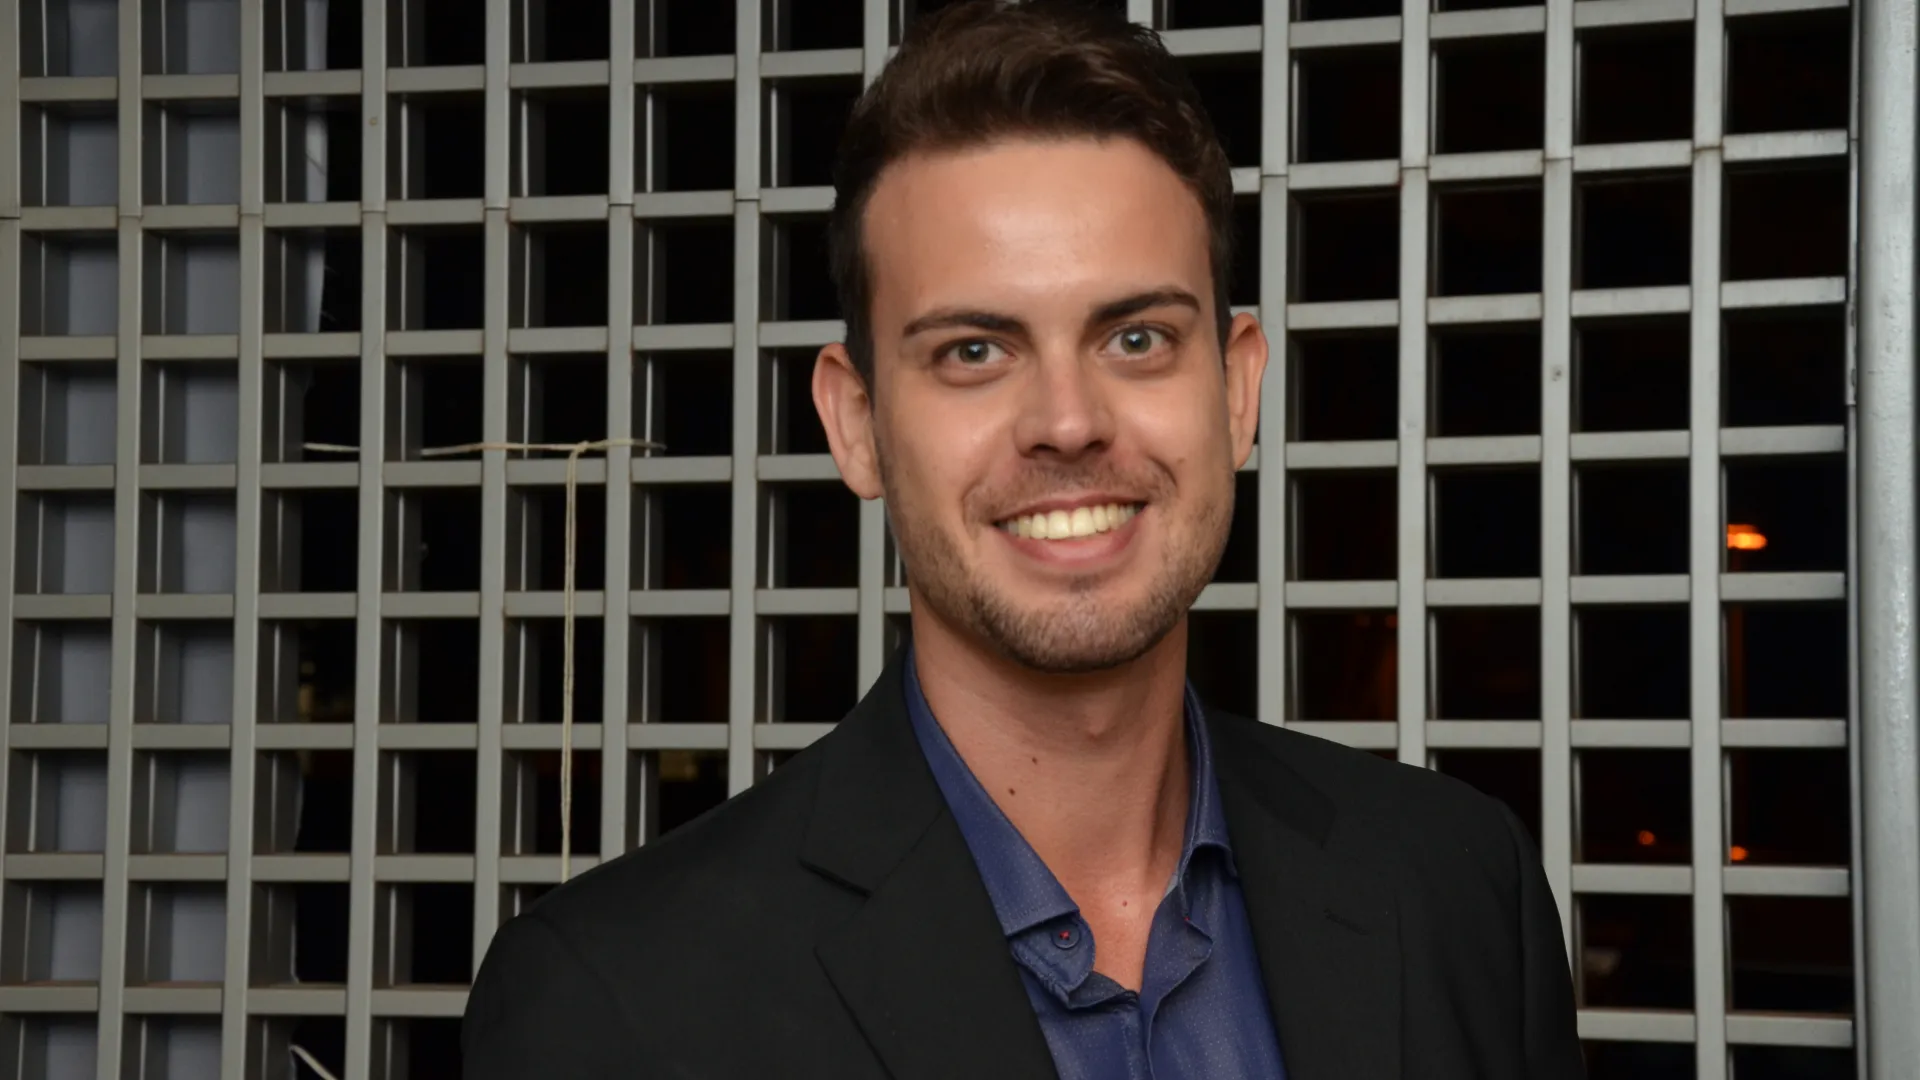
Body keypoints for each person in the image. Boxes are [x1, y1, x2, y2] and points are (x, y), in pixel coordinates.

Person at [462, 2, 1585, 1077]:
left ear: (1238, 391)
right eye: (974, 352)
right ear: (856, 425)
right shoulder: (618, 1002)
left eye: (1136, 338)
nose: (1068, 422)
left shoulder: (1458, 893)